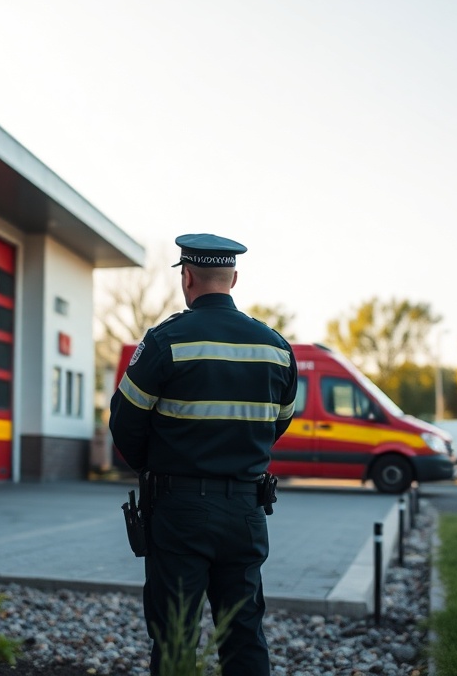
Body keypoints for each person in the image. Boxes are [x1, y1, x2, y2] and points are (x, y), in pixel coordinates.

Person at [109, 233, 298, 676]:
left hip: (179, 511)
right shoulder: (275, 348)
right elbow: (278, 423)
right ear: (234, 279)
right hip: (246, 510)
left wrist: (159, 468)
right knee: (244, 634)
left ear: (187, 278)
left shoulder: (165, 342)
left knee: (176, 636)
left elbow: (125, 424)